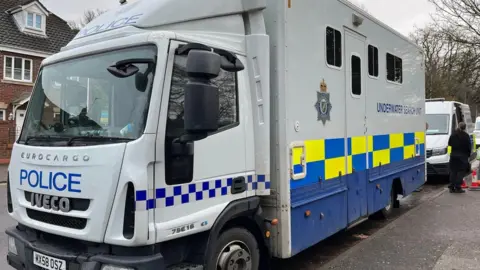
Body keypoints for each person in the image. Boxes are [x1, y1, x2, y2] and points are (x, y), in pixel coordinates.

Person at [447, 122, 472, 193]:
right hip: (463, 157)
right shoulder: (466, 136)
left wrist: (450, 154)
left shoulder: (453, 135)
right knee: (460, 172)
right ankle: (458, 187)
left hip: (453, 156)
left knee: (453, 171)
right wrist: (468, 155)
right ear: (465, 128)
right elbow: (468, 147)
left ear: (458, 126)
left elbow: (449, 145)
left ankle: (451, 187)